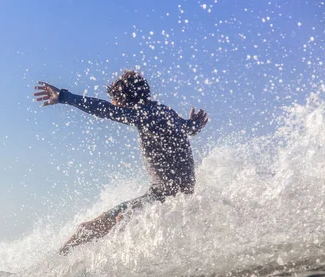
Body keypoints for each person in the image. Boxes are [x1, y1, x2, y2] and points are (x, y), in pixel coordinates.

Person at [34, 70, 208, 255]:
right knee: (106, 224)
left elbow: (104, 109)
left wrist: (64, 96)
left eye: (115, 101)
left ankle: (56, 267)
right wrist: (194, 125)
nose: (114, 105)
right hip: (173, 196)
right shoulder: (164, 111)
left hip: (164, 198)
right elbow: (188, 129)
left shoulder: (145, 115)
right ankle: (59, 265)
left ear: (125, 100)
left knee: (110, 222)